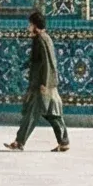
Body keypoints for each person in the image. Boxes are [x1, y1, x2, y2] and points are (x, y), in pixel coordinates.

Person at [6, 10, 68, 152]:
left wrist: (45, 83)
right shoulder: (43, 39)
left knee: (31, 114)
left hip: (42, 86)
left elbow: (48, 63)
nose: (28, 28)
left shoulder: (41, 40)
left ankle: (19, 142)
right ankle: (64, 141)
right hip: (43, 84)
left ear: (35, 25)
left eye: (30, 25)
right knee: (51, 114)